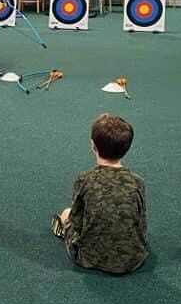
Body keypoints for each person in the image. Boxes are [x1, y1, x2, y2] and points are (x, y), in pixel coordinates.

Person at [51, 113, 147, 274]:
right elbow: (140, 218)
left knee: (66, 213)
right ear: (128, 148)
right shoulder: (137, 181)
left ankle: (63, 230)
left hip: (89, 258)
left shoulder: (85, 179)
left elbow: (77, 221)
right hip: (134, 259)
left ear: (93, 146)